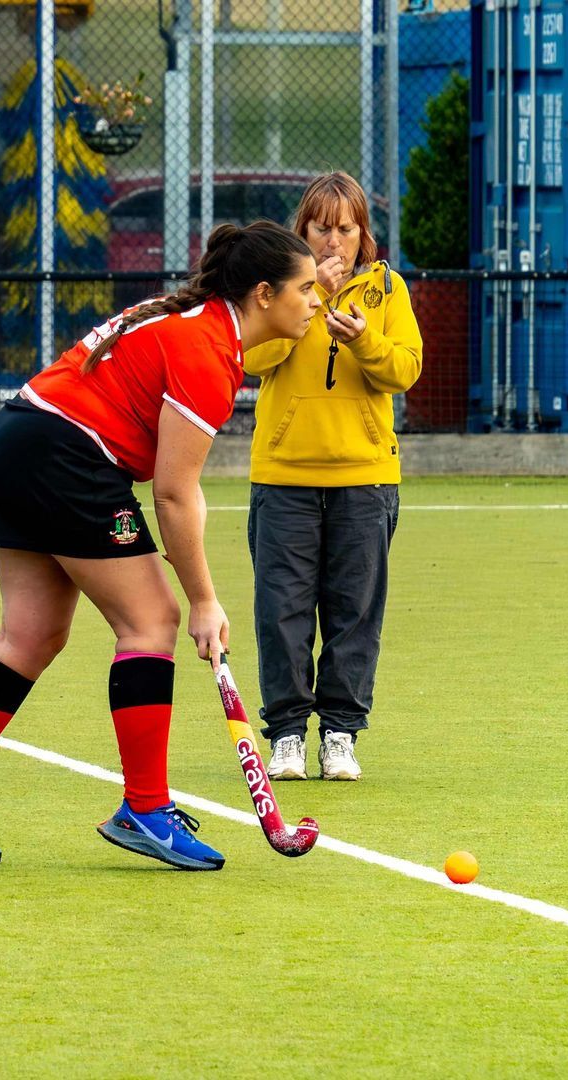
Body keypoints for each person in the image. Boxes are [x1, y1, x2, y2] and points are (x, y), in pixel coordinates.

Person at [0, 221, 321, 870]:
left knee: (30, 634)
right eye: (306, 288)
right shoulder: (207, 353)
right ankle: (146, 808)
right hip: (67, 454)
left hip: (20, 437)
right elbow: (173, 495)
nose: (316, 301)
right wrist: (204, 601)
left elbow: (176, 487)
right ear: (263, 293)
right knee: (153, 620)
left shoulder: (192, 321)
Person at [243, 172, 423, 783]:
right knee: (282, 611)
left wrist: (366, 342)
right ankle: (287, 735)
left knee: (355, 612)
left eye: (345, 228)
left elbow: (405, 370)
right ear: (303, 230)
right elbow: (250, 357)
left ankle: (341, 734)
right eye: (321, 228)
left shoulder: (387, 289)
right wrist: (307, 298)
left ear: (362, 233)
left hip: (366, 477)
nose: (333, 240)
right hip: (283, 475)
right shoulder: (273, 290)